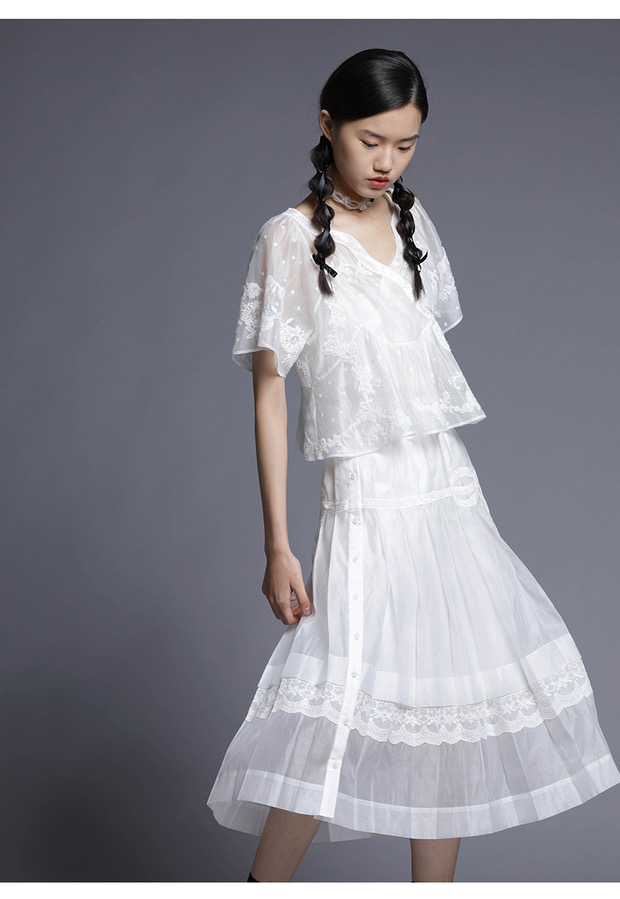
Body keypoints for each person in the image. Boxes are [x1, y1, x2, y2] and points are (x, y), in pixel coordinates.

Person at [207, 48, 620, 882]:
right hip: (364, 502)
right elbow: (270, 396)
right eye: (372, 140)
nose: (387, 161)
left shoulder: (411, 222)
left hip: (447, 495)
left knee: (447, 702)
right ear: (328, 125)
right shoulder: (288, 240)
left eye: (406, 144)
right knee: (333, 713)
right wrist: (277, 545)